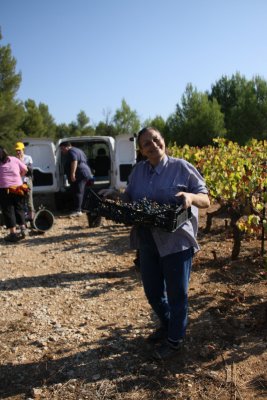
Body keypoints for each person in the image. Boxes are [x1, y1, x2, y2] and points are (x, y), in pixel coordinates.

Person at [101, 127, 210, 360]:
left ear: (163, 141)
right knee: (152, 292)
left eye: (156, 139)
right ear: (141, 150)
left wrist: (190, 198)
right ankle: (168, 324)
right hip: (147, 239)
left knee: (177, 294)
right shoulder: (138, 172)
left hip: (176, 241)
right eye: (146, 144)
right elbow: (129, 198)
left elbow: (206, 199)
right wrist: (115, 196)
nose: (153, 145)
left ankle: (174, 341)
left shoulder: (181, 167)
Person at [0, 146, 28, 242]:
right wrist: (19, 176)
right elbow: (25, 169)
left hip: (5, 189)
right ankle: (23, 229)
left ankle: (13, 234)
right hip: (18, 187)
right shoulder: (14, 159)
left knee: (8, 210)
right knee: (19, 208)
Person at [59, 142, 93, 217]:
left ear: (66, 147)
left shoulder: (71, 151)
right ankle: (81, 208)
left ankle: (77, 211)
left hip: (80, 173)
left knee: (78, 191)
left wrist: (72, 174)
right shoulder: (78, 150)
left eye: (62, 148)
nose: (62, 151)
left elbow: (74, 161)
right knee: (81, 191)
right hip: (85, 173)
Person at [15, 142, 35, 222]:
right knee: (20, 200)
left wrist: (21, 162)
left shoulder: (28, 158)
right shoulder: (14, 159)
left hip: (27, 181)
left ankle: (32, 217)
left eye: (19, 150)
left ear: (23, 149)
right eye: (17, 150)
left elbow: (30, 171)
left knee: (29, 199)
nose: (18, 152)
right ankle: (23, 218)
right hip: (18, 181)